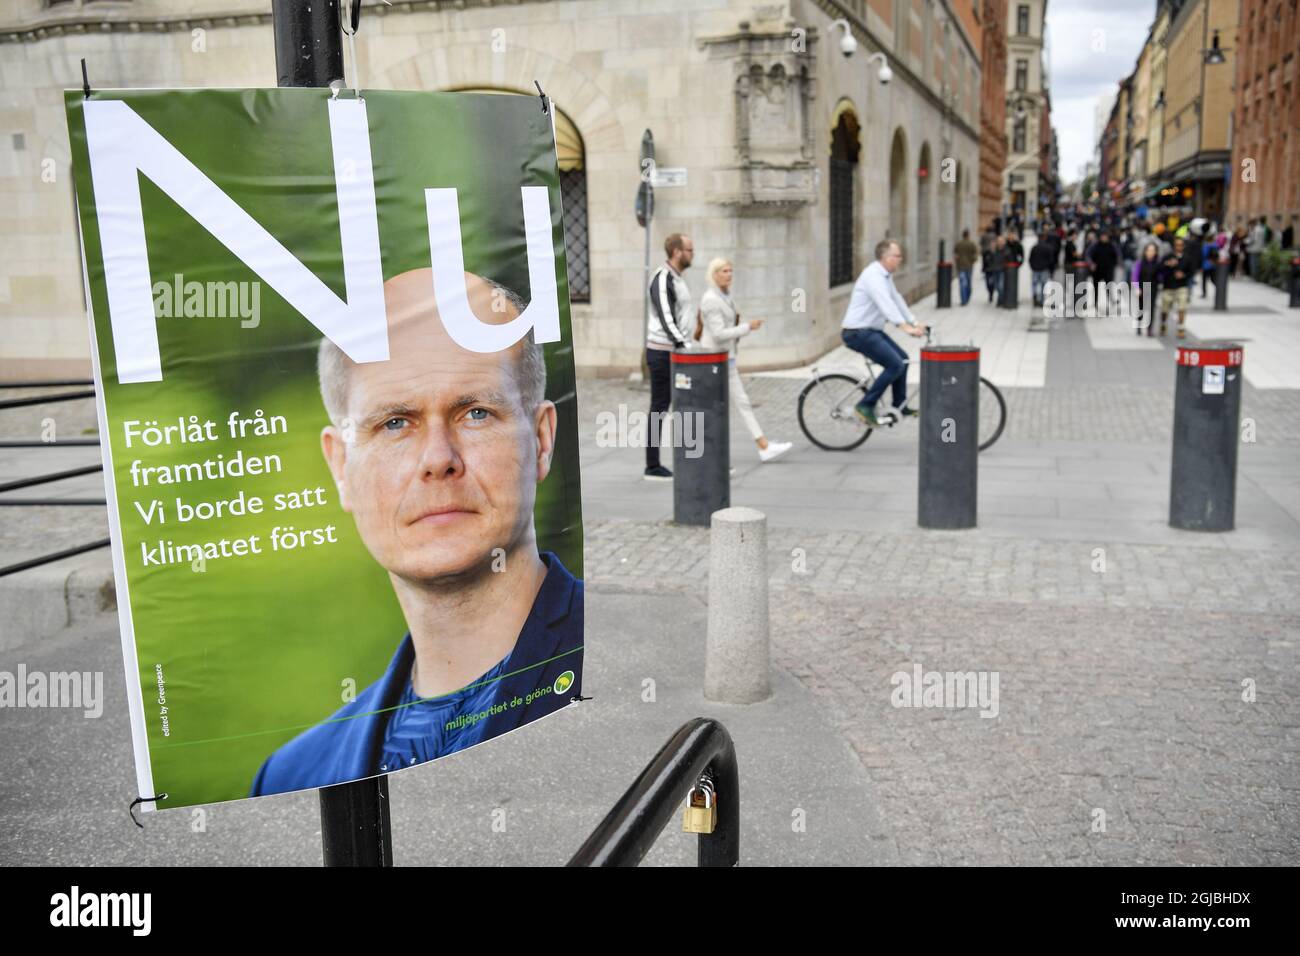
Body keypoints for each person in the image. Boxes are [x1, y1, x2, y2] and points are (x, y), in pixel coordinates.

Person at [250, 269, 583, 797]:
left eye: (475, 413)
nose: (437, 460)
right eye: (395, 424)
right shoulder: (289, 778)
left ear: (541, 441)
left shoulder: (622, 664)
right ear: (340, 468)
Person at [698, 258, 792, 463]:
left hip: (726, 358)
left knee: (740, 403)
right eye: (724, 271)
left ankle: (763, 445)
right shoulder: (711, 299)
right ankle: (701, 447)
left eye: (731, 270)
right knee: (713, 405)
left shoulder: (725, 295)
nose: (729, 274)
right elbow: (718, 334)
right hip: (714, 359)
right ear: (714, 274)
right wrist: (748, 327)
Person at [840, 239, 928, 427]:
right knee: (895, 364)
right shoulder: (873, 276)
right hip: (857, 333)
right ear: (885, 257)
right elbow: (886, 305)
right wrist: (905, 328)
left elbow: (896, 299)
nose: (900, 259)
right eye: (897, 256)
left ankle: (899, 405)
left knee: (902, 359)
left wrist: (914, 322)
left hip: (870, 331)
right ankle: (865, 405)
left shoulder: (885, 276)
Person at [643, 233, 696, 481]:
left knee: (683, 405)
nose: (691, 254)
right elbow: (666, 317)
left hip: (676, 351)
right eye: (689, 250)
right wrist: (683, 343)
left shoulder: (677, 278)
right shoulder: (662, 278)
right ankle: (652, 466)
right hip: (663, 353)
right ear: (676, 251)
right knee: (659, 407)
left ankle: (692, 456)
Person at [1158, 236, 1196, 339]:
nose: (1178, 247)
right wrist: (1168, 264)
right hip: (1168, 286)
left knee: (1182, 308)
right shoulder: (1168, 256)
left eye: (1180, 245)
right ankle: (1163, 324)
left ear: (1183, 246)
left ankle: (1180, 329)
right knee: (1165, 309)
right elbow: (1159, 269)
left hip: (1181, 286)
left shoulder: (1187, 258)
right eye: (1176, 245)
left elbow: (1192, 272)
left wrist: (1184, 275)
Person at [1131, 241, 1162, 337]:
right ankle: (1139, 325)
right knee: (1141, 308)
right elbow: (1135, 276)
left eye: (1153, 250)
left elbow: (1161, 275)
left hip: (1153, 288)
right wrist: (1137, 288)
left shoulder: (1158, 263)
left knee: (1152, 308)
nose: (1151, 252)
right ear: (1145, 252)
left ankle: (1149, 329)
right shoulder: (1140, 263)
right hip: (1142, 287)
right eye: (1149, 250)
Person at [1028, 234, 1055, 308]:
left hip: (1035, 269)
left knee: (1034, 284)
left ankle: (1035, 296)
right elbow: (1051, 260)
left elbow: (1030, 258)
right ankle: (1042, 300)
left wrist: (1033, 267)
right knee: (1043, 285)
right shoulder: (1048, 248)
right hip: (1044, 269)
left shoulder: (1034, 247)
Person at [954, 229, 979, 306]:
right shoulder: (972, 244)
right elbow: (976, 255)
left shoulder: (958, 244)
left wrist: (957, 263)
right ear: (968, 235)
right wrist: (972, 261)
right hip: (969, 266)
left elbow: (956, 256)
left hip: (961, 267)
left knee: (962, 283)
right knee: (968, 283)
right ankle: (967, 298)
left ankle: (963, 300)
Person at [984, 234, 1007, 303]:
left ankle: (1000, 301)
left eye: (1001, 241)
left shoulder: (1006, 250)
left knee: (1001, 286)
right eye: (999, 241)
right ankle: (1000, 299)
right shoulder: (994, 250)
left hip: (1002, 270)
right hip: (995, 270)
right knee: (996, 287)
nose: (1000, 242)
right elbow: (988, 260)